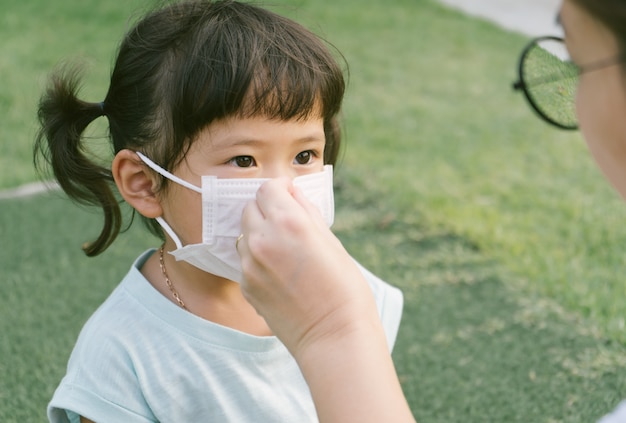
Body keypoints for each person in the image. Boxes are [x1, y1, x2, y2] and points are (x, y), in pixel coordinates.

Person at [236, 0, 626, 421]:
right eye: (242, 161)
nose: (278, 191)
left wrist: (332, 330)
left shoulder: (365, 298)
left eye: (576, 62)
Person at [34, 1, 405, 421]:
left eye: (304, 155)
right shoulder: (123, 358)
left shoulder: (339, 284)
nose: (282, 194)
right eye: (244, 160)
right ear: (144, 182)